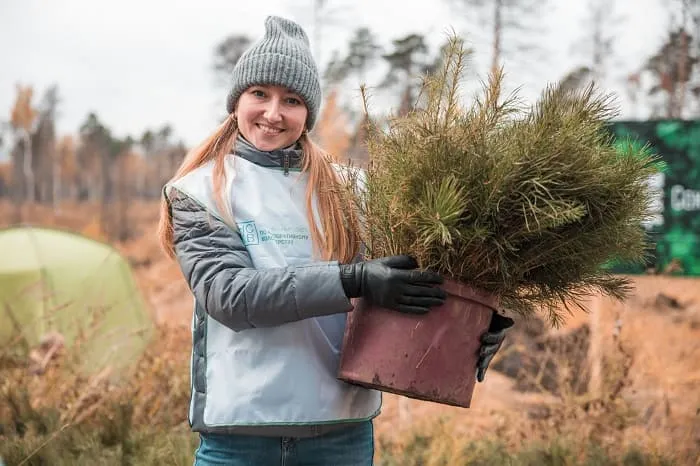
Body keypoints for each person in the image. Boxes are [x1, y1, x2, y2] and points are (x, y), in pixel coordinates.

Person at [158, 15, 512, 466]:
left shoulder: (352, 191)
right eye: (259, 94)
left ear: (307, 112)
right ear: (236, 100)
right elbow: (230, 296)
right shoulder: (200, 192)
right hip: (240, 438)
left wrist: (476, 319)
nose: (273, 112)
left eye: (291, 100)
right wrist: (354, 279)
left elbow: (417, 269)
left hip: (340, 435)